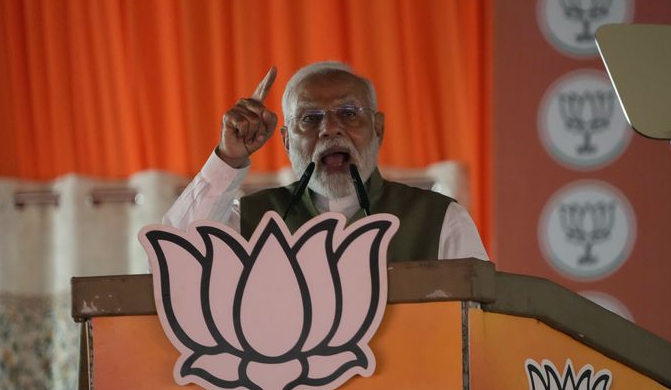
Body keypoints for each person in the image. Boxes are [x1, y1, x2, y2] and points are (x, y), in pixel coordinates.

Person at [163, 61, 488, 262]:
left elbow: (478, 332)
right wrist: (228, 158)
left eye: (348, 114)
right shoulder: (251, 220)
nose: (330, 129)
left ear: (378, 129)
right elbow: (172, 258)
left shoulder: (440, 221)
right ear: (287, 141)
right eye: (309, 118)